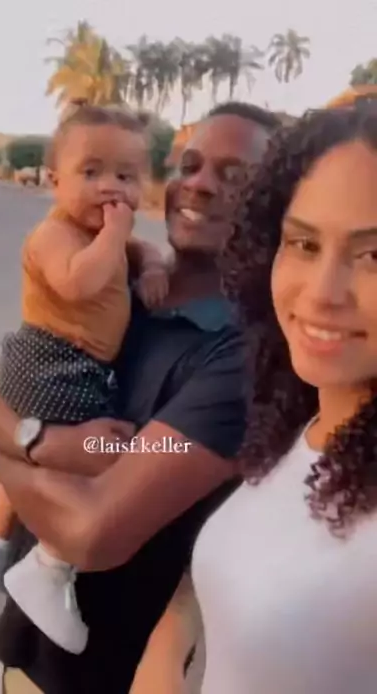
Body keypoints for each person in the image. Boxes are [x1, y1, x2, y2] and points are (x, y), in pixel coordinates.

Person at [0, 102, 281, 694]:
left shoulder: (241, 354)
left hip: (103, 675)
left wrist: (17, 442)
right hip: (22, 651)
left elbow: (92, 532)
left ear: (275, 206)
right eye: (189, 165)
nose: (199, 184)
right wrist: (38, 441)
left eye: (234, 176)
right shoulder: (122, 286)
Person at [0, 103, 169, 654]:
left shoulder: (105, 233)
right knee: (103, 455)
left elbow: (142, 249)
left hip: (68, 363)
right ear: (54, 181)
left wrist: (149, 265)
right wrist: (117, 233)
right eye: (92, 172)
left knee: (49, 455)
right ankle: (48, 568)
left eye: (126, 176)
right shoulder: (54, 235)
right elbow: (78, 283)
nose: (111, 187)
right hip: (55, 361)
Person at [189, 105, 377, 694]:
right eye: (303, 243)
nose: (321, 294)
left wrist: (24, 431)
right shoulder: (307, 421)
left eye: (374, 256)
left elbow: (94, 528)